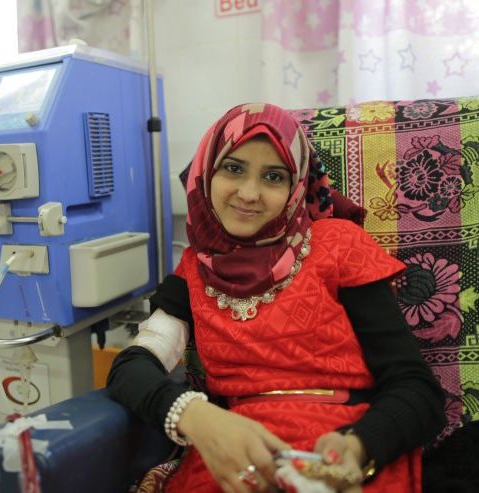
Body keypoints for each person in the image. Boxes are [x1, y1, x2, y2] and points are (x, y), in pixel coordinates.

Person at [107, 102, 446, 493]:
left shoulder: (340, 246)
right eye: (233, 168)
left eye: (273, 176)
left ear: (296, 185)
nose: (249, 193)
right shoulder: (193, 271)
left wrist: (357, 448)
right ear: (206, 171)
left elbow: (416, 389)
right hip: (236, 457)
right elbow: (131, 367)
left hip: (341, 456)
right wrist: (196, 416)